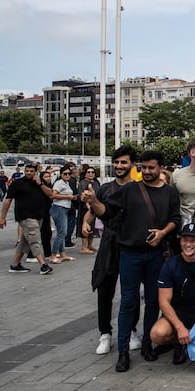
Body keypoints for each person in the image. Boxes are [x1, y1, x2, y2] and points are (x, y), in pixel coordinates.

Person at [82, 150, 182, 373]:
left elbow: (176, 219)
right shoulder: (130, 190)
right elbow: (106, 212)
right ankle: (123, 351)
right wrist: (94, 201)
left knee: (154, 302)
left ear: (160, 168)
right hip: (130, 254)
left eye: (151, 168)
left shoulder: (169, 193)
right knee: (128, 301)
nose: (146, 172)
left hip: (156, 255)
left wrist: (163, 232)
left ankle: (147, 343)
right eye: (143, 168)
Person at [83, 145, 143, 356]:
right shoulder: (105, 188)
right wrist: (85, 222)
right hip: (109, 242)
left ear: (132, 165)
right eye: (116, 162)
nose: (119, 166)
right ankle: (105, 333)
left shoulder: (139, 188)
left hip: (130, 243)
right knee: (104, 288)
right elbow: (93, 208)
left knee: (131, 290)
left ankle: (132, 330)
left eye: (123, 162)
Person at [150, 222, 195, 365]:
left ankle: (192, 340)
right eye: (185, 240)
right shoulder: (170, 265)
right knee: (157, 334)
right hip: (180, 311)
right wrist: (179, 327)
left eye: (193, 240)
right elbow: (163, 301)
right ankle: (180, 341)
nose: (188, 244)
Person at [0, 164, 53, 275]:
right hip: (25, 216)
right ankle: (43, 265)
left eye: (31, 171)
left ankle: (15, 264)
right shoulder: (17, 184)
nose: (29, 173)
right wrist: (2, 217)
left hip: (39, 216)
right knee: (35, 240)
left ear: (35, 172)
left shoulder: (39, 183)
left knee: (25, 242)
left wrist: (40, 184)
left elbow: (50, 194)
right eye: (27, 171)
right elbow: (8, 200)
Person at [48, 165, 77, 264]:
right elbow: (53, 195)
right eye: (65, 174)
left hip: (64, 208)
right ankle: (53, 255)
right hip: (58, 208)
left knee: (62, 232)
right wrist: (67, 196)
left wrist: (72, 197)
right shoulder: (59, 183)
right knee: (62, 232)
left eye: (69, 173)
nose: (67, 175)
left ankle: (63, 254)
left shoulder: (67, 183)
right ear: (61, 174)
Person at [77, 166, 101, 254]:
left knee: (93, 227)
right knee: (85, 226)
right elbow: (81, 195)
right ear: (85, 174)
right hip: (85, 208)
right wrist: (87, 204)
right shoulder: (83, 183)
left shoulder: (96, 183)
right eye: (88, 172)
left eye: (92, 172)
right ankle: (84, 247)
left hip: (94, 208)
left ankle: (90, 245)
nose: (90, 174)